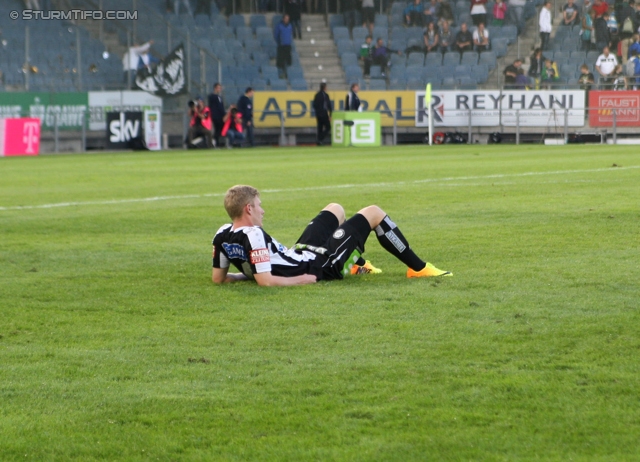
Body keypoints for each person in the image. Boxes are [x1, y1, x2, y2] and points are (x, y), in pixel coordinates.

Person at [211, 185, 452, 286]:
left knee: (335, 209)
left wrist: (249, 276)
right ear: (248, 209)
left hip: (300, 255)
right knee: (374, 213)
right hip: (318, 266)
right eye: (259, 205)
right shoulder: (253, 234)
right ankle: (418, 268)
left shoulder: (222, 234)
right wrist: (301, 279)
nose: (262, 210)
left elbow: (219, 279)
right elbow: (266, 281)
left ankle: (356, 265)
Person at [274, 14, 293, 78]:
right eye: (286, 18)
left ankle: (287, 74)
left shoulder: (290, 26)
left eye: (288, 19)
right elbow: (276, 35)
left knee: (288, 61)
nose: (287, 20)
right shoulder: (279, 26)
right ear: (283, 19)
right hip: (281, 46)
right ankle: (281, 74)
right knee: (281, 61)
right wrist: (279, 42)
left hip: (288, 45)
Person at [208, 82, 225, 148]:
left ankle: (216, 142)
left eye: (220, 88)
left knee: (219, 129)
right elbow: (217, 107)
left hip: (219, 116)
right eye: (218, 88)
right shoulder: (213, 97)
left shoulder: (218, 97)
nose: (220, 89)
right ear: (215, 88)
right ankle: (215, 141)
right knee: (218, 129)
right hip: (217, 116)